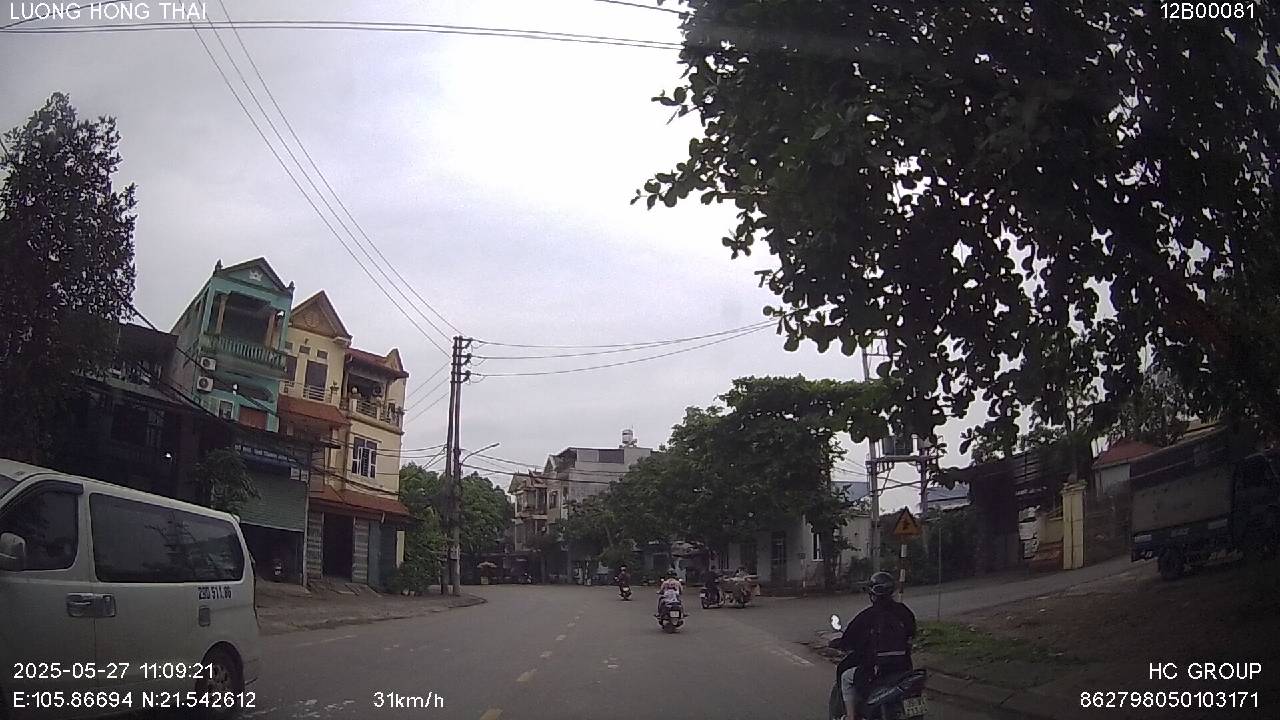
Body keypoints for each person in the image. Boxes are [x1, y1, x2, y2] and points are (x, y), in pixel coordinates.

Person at [827, 572, 917, 720]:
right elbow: (912, 633)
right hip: (903, 667)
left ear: (872, 594)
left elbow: (849, 638)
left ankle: (850, 716)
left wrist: (840, 643)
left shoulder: (868, 615)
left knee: (845, 677)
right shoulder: (904, 611)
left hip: (876, 669)